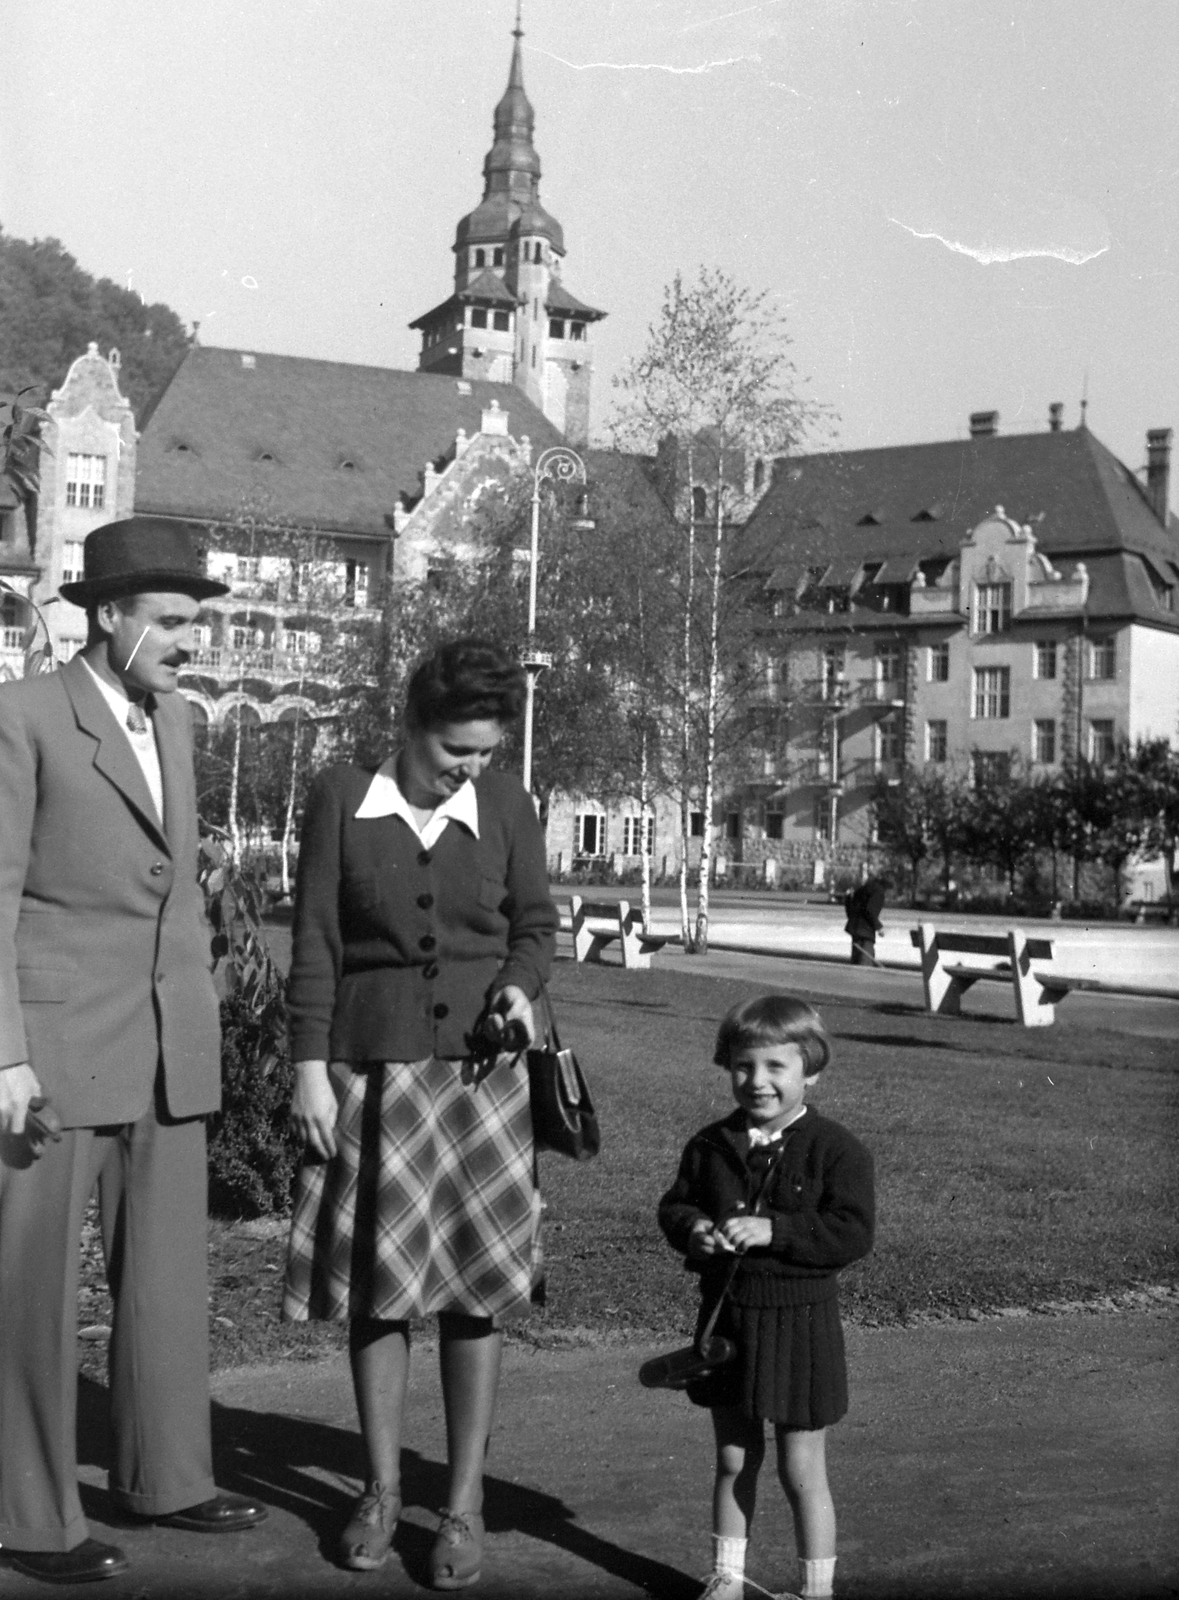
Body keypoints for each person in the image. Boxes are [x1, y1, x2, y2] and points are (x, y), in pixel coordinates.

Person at [0, 517, 267, 1584]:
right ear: (106, 616)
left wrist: (199, 1015)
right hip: (52, 1055)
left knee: (163, 1282)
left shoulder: (181, 723)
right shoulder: (21, 717)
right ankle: (27, 1514)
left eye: (195, 622)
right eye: (169, 620)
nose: (187, 639)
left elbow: (176, 890)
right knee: (29, 1291)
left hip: (168, 1045)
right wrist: (4, 1054)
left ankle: (169, 1476)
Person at [283, 636, 558, 1590]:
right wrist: (308, 1069)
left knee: (474, 1292)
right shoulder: (339, 799)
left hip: (483, 1084)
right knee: (381, 1290)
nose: (469, 773)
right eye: (455, 756)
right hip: (376, 1072)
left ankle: (465, 1501)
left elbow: (535, 927)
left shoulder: (508, 805)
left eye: (483, 755)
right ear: (410, 728)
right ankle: (379, 1489)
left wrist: (521, 990)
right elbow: (315, 938)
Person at [657, 996, 874, 1600]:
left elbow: (853, 1231)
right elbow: (675, 1206)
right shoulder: (711, 1144)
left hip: (801, 1324)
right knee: (733, 1458)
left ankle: (816, 1588)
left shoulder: (836, 1148)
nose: (758, 1082)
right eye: (744, 1067)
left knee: (801, 1470)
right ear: (727, 1066)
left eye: (777, 1067)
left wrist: (777, 1230)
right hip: (729, 1324)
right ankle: (726, 1578)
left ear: (811, 1071)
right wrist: (695, 1229)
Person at [843, 876, 886, 966]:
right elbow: (869, 910)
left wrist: (847, 899)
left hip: (855, 931)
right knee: (865, 964)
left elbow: (851, 909)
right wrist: (879, 927)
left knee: (856, 962)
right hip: (866, 933)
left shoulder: (862, 890)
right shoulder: (878, 892)